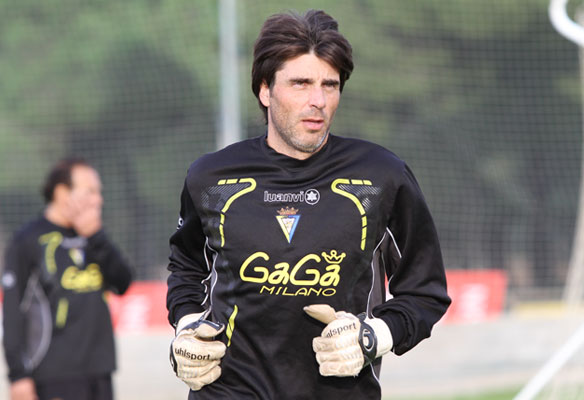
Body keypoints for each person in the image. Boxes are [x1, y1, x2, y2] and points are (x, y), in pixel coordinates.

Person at [167, 9, 451, 399]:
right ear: (265, 90)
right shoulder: (211, 178)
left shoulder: (382, 177)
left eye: (329, 85)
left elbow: (425, 293)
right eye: (300, 83)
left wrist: (373, 338)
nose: (317, 100)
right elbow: (187, 268)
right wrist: (187, 330)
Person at [2, 158, 133, 400]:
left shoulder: (94, 238)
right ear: (63, 193)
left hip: (99, 371)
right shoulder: (27, 240)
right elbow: (12, 313)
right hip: (53, 376)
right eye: (90, 191)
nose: (98, 199)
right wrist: (18, 376)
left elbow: (123, 282)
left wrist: (96, 237)